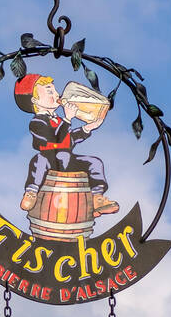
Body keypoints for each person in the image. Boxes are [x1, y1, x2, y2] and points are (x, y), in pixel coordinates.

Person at [14, 74, 119, 217]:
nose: (57, 94)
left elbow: (68, 140)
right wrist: (68, 119)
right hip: (49, 159)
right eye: (49, 91)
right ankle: (31, 192)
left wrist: (87, 128)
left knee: (94, 162)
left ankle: (97, 198)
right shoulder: (37, 122)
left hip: (66, 159)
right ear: (35, 100)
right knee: (39, 161)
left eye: (55, 90)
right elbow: (55, 139)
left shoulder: (59, 120)